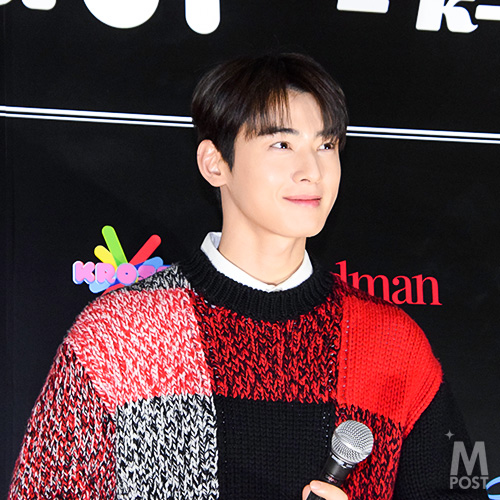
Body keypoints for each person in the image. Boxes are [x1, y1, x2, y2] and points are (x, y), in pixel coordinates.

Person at [9, 53, 479, 500]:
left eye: (326, 145)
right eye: (282, 144)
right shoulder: (118, 334)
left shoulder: (393, 343)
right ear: (215, 163)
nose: (312, 171)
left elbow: (465, 487)